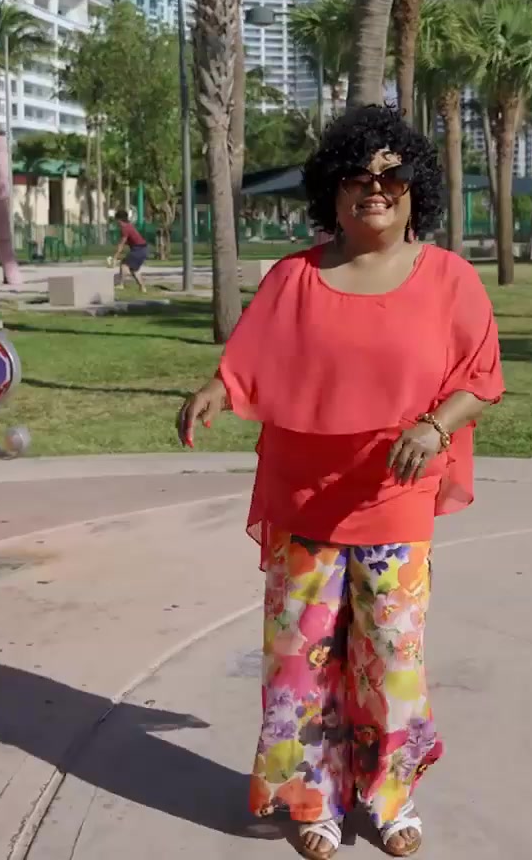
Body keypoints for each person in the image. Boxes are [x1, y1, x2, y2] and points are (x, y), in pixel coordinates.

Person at [176, 105, 503, 860]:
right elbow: (248, 364)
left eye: (392, 175)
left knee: (390, 653)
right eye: (357, 176)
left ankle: (391, 795)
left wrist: (435, 428)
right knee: (302, 657)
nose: (374, 188)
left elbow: (480, 377)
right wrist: (216, 391)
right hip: (305, 495)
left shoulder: (449, 278)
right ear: (333, 189)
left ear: (416, 187)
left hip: (394, 495)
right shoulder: (294, 277)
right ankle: (311, 798)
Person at [107, 211, 148, 292]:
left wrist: (115, 257)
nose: (116, 222)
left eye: (116, 220)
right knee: (134, 270)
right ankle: (143, 288)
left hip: (138, 249)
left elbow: (122, 243)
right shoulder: (129, 226)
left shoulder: (125, 228)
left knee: (124, 264)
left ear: (119, 220)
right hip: (143, 249)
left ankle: (121, 284)